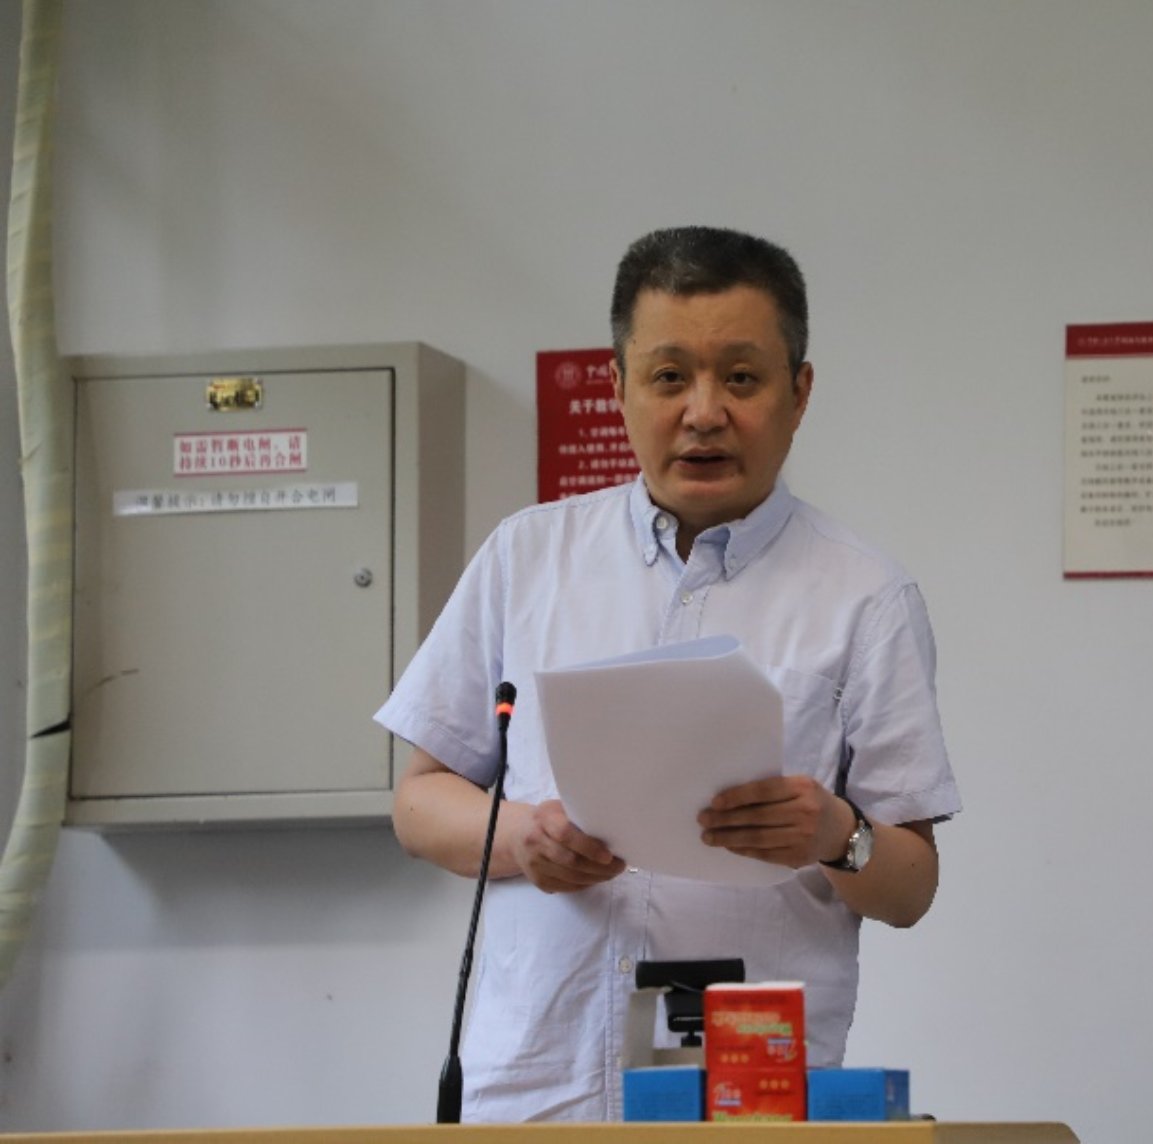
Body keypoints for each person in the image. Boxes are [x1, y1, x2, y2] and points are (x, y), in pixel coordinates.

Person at [375, 226, 961, 1122]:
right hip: (536, 1088)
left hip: (744, 1098)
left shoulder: (864, 596)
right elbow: (419, 804)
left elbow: (911, 885)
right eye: (669, 376)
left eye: (742, 378)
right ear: (618, 387)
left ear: (799, 392)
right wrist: (524, 837)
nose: (704, 412)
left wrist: (833, 831)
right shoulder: (527, 558)